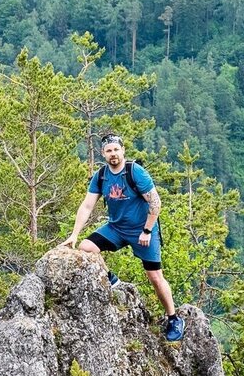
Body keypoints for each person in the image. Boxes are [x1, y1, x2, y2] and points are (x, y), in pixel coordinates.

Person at [61, 133, 185, 341]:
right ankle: (111, 279)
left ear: (123, 150)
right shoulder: (101, 176)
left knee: (155, 277)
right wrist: (74, 235)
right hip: (116, 228)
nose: (113, 154)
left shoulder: (135, 172)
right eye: (109, 151)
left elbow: (155, 203)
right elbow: (87, 206)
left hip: (142, 230)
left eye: (116, 150)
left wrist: (147, 231)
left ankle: (173, 318)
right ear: (103, 153)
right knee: (86, 248)